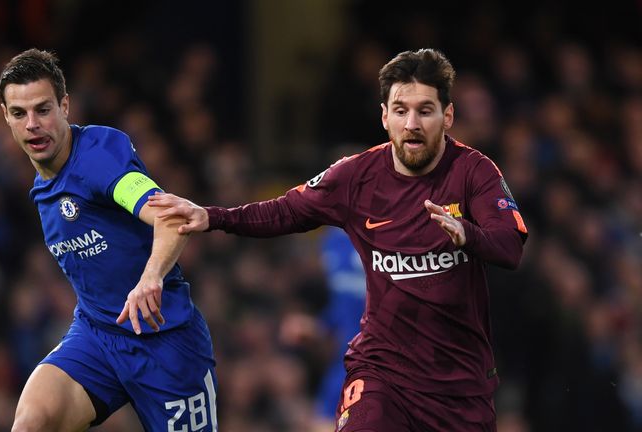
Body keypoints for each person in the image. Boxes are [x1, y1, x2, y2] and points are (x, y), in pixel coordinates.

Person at [149, 48, 528, 431]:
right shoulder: (355, 177)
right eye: (400, 110)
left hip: (460, 387)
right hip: (383, 375)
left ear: (447, 115)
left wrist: (468, 235)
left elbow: (510, 246)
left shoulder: (475, 172)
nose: (412, 123)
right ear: (384, 116)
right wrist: (211, 216)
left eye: (425, 110)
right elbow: (284, 212)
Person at [0, 49, 218, 431]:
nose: (33, 124)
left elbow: (171, 216)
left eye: (43, 109)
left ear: (65, 106)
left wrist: (151, 276)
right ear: (6, 116)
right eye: (19, 113)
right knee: (32, 422)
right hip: (97, 338)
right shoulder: (43, 187)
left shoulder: (99, 157)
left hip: (165, 344)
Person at [279, 226, 366, 431]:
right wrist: (318, 326)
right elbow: (343, 305)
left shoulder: (390, 231)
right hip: (347, 358)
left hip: (386, 355)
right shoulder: (332, 240)